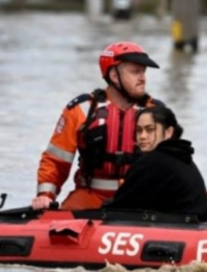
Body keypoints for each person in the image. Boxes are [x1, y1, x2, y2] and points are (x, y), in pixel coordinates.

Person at [32, 42, 163, 211]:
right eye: (135, 72)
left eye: (143, 72)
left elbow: (176, 161)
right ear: (114, 76)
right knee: (59, 225)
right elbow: (56, 160)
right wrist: (45, 196)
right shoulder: (81, 109)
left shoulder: (156, 112)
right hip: (90, 196)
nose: (143, 78)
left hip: (139, 197)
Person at [104, 106, 207, 220]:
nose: (142, 136)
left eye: (150, 130)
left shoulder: (151, 162)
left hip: (183, 229)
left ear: (168, 132)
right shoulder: (183, 157)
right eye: (139, 130)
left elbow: (120, 208)